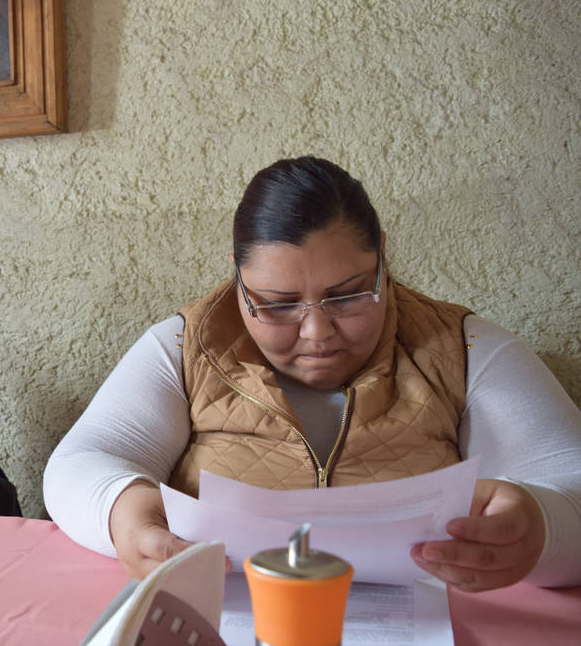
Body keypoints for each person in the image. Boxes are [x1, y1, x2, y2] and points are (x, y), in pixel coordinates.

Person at [44, 156, 581, 592]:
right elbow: (80, 463)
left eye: (348, 295)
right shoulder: (188, 346)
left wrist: (541, 526)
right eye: (277, 304)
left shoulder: (462, 347)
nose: (317, 333)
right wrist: (120, 510)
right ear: (238, 277)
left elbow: (568, 481)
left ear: (382, 258)